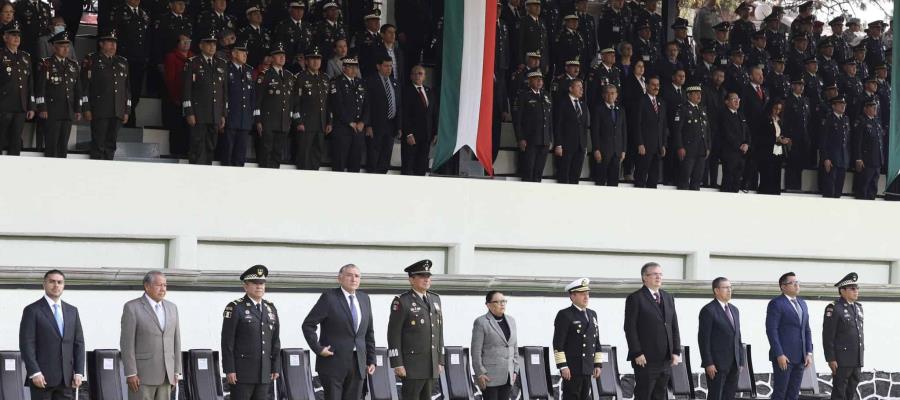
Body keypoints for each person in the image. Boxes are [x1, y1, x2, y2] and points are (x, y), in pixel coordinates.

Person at [302, 264, 376, 400]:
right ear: (340, 278)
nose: (354, 279)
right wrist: (318, 349)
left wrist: (371, 359)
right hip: (333, 362)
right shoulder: (329, 298)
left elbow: (368, 332)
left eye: (357, 276)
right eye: (349, 275)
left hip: (358, 363)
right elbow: (308, 325)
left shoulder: (364, 299)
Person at [19, 269, 85, 400]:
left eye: (59, 282)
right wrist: (34, 372)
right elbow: (26, 344)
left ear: (63, 286)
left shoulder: (73, 311)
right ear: (44, 284)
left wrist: (79, 372)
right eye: (52, 282)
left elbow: (79, 343)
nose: (56, 285)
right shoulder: (32, 310)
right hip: (42, 379)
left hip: (67, 379)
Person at [221, 265, 281, 400]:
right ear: (245, 286)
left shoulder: (270, 308)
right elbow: (227, 341)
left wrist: (275, 367)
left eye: (262, 283)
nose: (259, 286)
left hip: (264, 372)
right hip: (242, 373)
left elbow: (275, 341)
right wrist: (229, 369)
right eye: (255, 283)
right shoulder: (235, 307)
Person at [387, 260, 445, 400]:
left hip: (431, 363)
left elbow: (439, 332)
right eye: (422, 276)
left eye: (428, 276)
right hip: (411, 365)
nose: (426, 279)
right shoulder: (402, 301)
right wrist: (397, 363)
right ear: (411, 279)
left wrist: (440, 360)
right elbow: (393, 334)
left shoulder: (435, 299)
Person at [120, 271, 182, 400]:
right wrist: (131, 373)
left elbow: (176, 340)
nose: (163, 289)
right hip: (142, 376)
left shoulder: (172, 308)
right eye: (159, 285)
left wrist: (177, 371)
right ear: (147, 286)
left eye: (165, 285)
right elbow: (127, 343)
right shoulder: (132, 308)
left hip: (167, 374)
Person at [624, 263, 682, 400]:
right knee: (644, 394)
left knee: (660, 395)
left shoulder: (668, 297)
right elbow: (629, 328)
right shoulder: (636, 298)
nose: (658, 277)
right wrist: (637, 352)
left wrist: (676, 351)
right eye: (654, 274)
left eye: (660, 274)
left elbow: (674, 326)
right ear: (644, 277)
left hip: (665, 358)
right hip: (645, 359)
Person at [81, 29, 130, 160]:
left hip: (117, 110)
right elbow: (84, 86)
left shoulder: (122, 62)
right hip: (99, 109)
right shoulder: (92, 60)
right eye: (109, 42)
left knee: (111, 144)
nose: (113, 45)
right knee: (98, 144)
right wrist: (86, 108)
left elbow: (127, 89)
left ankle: (108, 169)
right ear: (101, 44)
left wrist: (127, 110)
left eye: (115, 42)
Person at [765, 272, 813, 400]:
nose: (797, 285)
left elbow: (806, 330)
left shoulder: (802, 303)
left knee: (793, 393)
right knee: (780, 392)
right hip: (784, 357)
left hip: (801, 357)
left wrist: (809, 352)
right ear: (783, 286)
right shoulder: (776, 303)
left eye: (797, 282)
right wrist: (779, 354)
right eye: (792, 283)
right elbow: (771, 330)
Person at [182, 33, 227, 165]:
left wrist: (223, 114)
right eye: (209, 43)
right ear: (201, 45)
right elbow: (186, 91)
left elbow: (224, 93)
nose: (212, 46)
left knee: (210, 147)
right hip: (198, 114)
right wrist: (189, 112)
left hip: (214, 114)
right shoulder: (193, 62)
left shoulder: (221, 63)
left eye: (214, 44)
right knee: (197, 148)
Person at [553, 279, 602, 400]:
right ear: (572, 296)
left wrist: (598, 364)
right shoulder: (565, 314)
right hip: (572, 368)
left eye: (587, 294)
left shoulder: (592, 314)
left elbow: (596, 341)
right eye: (582, 294)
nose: (586, 297)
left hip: (587, 367)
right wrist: (563, 366)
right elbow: (558, 343)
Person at [35, 32, 81, 159]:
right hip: (52, 111)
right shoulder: (46, 64)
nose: (66, 49)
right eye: (62, 46)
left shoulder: (73, 65)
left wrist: (78, 108)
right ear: (54, 47)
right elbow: (40, 89)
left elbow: (78, 89)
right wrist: (42, 108)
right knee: (51, 146)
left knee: (63, 146)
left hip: (68, 110)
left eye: (68, 46)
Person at [698, 277, 743, 400]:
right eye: (725, 288)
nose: (729, 290)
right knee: (716, 396)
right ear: (716, 290)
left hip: (734, 363)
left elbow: (737, 336)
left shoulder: (734, 310)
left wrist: (741, 360)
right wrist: (708, 362)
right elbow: (703, 339)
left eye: (730, 287)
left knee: (729, 395)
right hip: (716, 364)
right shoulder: (708, 310)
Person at [822, 273, 864, 400]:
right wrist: (831, 358)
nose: (856, 291)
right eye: (852, 289)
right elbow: (828, 335)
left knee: (850, 392)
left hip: (856, 358)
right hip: (841, 359)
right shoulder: (834, 308)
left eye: (857, 288)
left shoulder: (858, 307)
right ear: (842, 291)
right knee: (840, 393)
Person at [255, 44, 297, 168]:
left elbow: (290, 100)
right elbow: (258, 100)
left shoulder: (289, 76)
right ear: (272, 58)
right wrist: (258, 120)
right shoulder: (265, 75)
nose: (282, 58)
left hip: (283, 121)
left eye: (283, 55)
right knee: (266, 153)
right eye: (279, 55)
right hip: (268, 121)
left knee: (277, 154)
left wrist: (289, 119)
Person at [471, 291, 519, 400]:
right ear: (488, 305)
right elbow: (475, 351)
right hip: (489, 376)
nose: (502, 304)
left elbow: (514, 346)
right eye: (498, 302)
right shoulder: (481, 322)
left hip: (508, 375)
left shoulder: (511, 321)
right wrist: (480, 373)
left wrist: (515, 369)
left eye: (504, 301)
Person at [111, 0, 150, 128]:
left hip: (139, 58)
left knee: (136, 90)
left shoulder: (144, 13)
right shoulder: (119, 11)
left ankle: (130, 114)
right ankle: (126, 118)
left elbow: (147, 36)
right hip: (124, 57)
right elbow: (115, 34)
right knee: (125, 89)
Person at [294, 46, 331, 170]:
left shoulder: (325, 78)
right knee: (304, 157)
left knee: (317, 156)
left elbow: (328, 103)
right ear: (306, 61)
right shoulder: (300, 77)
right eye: (312, 59)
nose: (316, 62)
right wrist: (298, 121)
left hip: (321, 125)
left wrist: (329, 122)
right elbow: (295, 103)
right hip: (306, 125)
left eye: (318, 59)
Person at [218, 39, 255, 167]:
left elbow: (252, 97)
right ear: (233, 53)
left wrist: (251, 118)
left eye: (246, 52)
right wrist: (222, 115)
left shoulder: (249, 71)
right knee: (227, 156)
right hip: (230, 118)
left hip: (244, 120)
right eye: (242, 52)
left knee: (240, 157)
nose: (245, 55)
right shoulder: (225, 69)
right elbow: (222, 94)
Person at [329, 56, 368, 172]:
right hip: (342, 130)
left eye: (356, 67)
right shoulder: (336, 82)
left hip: (358, 131)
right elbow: (337, 106)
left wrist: (362, 122)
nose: (354, 70)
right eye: (351, 67)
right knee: (339, 164)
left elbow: (367, 105)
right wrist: (350, 122)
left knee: (355, 165)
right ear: (344, 68)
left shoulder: (361, 83)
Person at [364, 55, 402, 174]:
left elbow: (398, 105)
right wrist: (368, 125)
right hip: (375, 125)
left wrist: (399, 126)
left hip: (391, 126)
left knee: (386, 158)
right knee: (373, 159)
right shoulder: (370, 81)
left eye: (391, 66)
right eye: (386, 66)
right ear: (378, 66)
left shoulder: (395, 83)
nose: (389, 68)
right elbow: (367, 104)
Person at [514, 70, 552, 182]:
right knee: (528, 173)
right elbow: (518, 120)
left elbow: (550, 119)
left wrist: (550, 138)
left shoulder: (546, 96)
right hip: (530, 140)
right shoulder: (523, 95)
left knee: (538, 173)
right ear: (529, 81)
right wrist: (520, 138)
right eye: (536, 78)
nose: (540, 81)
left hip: (544, 140)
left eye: (541, 79)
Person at [631, 77, 667, 188]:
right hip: (644, 146)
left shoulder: (661, 102)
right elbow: (636, 124)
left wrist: (663, 144)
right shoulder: (640, 101)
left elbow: (663, 125)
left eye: (658, 85)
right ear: (647, 86)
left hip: (657, 147)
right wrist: (640, 143)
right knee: (641, 176)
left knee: (654, 178)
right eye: (653, 84)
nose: (656, 87)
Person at [673, 86, 711, 190]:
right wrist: (680, 146)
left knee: (697, 180)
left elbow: (707, 130)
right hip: (688, 150)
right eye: (696, 93)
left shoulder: (702, 109)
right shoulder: (683, 108)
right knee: (684, 179)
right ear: (689, 95)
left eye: (700, 93)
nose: (699, 95)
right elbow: (677, 130)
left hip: (701, 150)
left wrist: (707, 147)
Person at [400, 65, 435, 176]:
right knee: (408, 166)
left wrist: (435, 132)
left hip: (426, 136)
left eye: (420, 73)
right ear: (410, 76)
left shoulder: (429, 91)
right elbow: (404, 114)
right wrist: (408, 133)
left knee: (422, 167)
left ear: (424, 76)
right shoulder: (406, 91)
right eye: (415, 74)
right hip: (412, 136)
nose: (417, 76)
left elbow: (433, 113)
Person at [553, 78, 588, 184]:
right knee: (564, 176)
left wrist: (585, 145)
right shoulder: (562, 103)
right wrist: (558, 144)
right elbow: (557, 125)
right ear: (570, 88)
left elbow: (584, 127)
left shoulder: (583, 105)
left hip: (580, 147)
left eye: (582, 87)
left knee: (575, 176)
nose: (581, 89)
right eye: (578, 87)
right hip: (566, 146)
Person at [590, 84, 626, 186]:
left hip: (616, 152)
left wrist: (623, 150)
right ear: (603, 95)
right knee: (600, 181)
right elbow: (595, 131)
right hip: (603, 151)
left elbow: (624, 131)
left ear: (616, 95)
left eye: (613, 93)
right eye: (608, 93)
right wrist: (596, 149)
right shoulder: (598, 109)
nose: (610, 95)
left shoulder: (621, 110)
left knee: (614, 182)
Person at [163, 34, 192, 158]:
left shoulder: (193, 56)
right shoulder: (171, 57)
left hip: (190, 99)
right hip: (176, 97)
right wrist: (175, 97)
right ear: (178, 43)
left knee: (189, 127)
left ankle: (188, 150)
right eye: (183, 41)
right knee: (176, 126)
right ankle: (176, 152)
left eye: (188, 41)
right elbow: (170, 78)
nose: (186, 44)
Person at [717, 93, 750, 193]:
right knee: (728, 182)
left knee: (737, 183)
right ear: (727, 102)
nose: (737, 101)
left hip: (741, 155)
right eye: (733, 99)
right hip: (729, 153)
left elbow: (747, 132)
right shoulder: (723, 115)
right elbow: (727, 134)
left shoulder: (741, 115)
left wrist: (747, 144)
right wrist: (740, 145)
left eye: (738, 99)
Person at [851, 100, 884, 200]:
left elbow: (880, 143)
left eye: (875, 106)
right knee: (863, 188)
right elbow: (858, 142)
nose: (875, 108)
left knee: (873, 188)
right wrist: (859, 158)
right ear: (865, 109)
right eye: (872, 106)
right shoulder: (862, 121)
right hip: (866, 161)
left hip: (877, 161)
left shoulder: (877, 122)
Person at [782, 79, 811, 191]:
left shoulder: (806, 100)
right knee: (791, 165)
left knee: (800, 166)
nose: (801, 87)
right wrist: (786, 137)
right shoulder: (788, 100)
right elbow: (785, 120)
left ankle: (797, 188)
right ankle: (790, 188)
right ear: (793, 86)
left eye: (802, 85)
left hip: (803, 138)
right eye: (799, 84)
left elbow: (808, 120)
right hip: (792, 138)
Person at [755, 100, 789, 195]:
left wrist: (784, 139)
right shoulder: (765, 119)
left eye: (779, 109)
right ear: (771, 108)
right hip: (767, 153)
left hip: (778, 152)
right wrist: (776, 139)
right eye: (775, 109)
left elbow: (782, 133)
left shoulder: (780, 120)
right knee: (767, 176)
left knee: (776, 176)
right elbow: (761, 137)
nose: (777, 111)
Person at [819, 96, 850, 198]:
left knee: (838, 190)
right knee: (829, 190)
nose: (843, 106)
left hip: (842, 159)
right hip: (832, 159)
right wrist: (826, 158)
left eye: (844, 104)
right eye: (840, 104)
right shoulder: (829, 119)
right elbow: (823, 141)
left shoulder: (845, 119)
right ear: (833, 106)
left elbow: (847, 141)